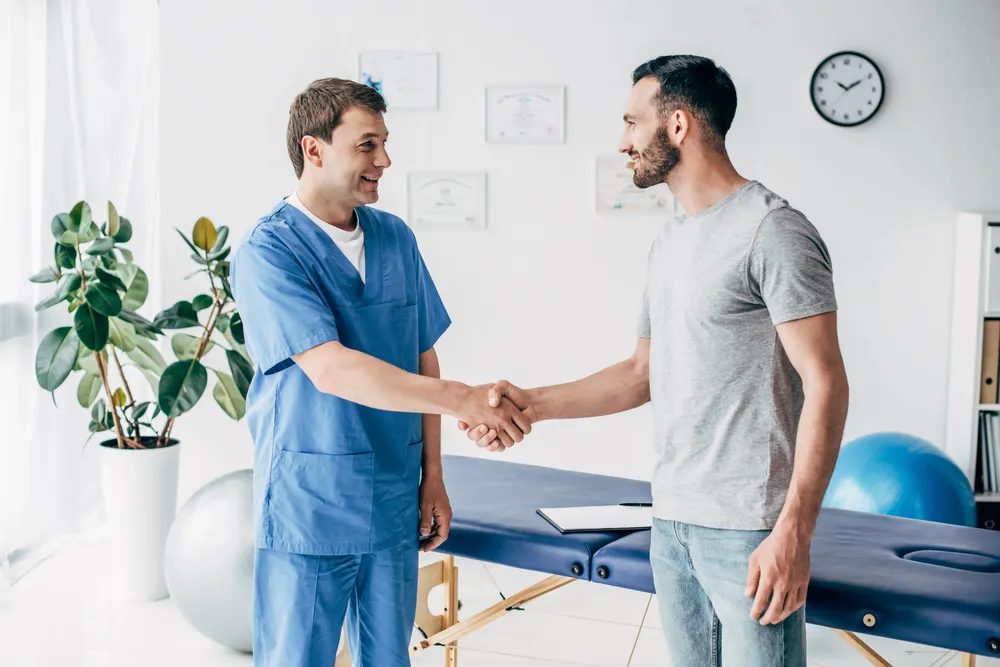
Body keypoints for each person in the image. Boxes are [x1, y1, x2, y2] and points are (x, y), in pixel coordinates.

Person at [460, 55, 849, 666]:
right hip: (671, 522)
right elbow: (640, 374)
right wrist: (526, 404)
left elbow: (825, 382)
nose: (622, 142)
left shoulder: (773, 231)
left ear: (676, 125)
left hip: (750, 527)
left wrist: (794, 532)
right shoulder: (672, 240)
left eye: (630, 122)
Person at [230, 77, 532, 667]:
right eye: (367, 145)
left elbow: (422, 352)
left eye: (385, 143)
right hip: (311, 501)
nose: (384, 160)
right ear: (314, 149)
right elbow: (331, 369)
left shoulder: (394, 237)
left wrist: (434, 475)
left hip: (393, 494)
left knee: (389, 658)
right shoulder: (270, 252)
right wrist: (462, 400)